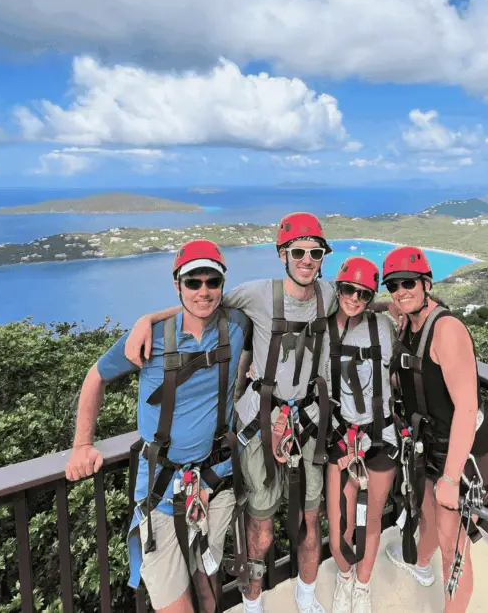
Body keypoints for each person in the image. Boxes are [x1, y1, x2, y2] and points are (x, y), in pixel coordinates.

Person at [122, 212, 339, 613]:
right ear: (283, 255)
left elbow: (365, 298)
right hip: (258, 423)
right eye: (298, 252)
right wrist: (146, 320)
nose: (307, 259)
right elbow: (204, 305)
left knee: (312, 515)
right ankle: (253, 602)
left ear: (323, 256)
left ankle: (306, 596)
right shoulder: (255, 294)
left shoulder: (330, 294)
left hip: (308, 420)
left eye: (314, 251)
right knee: (260, 526)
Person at [65, 239, 254, 613]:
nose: (203, 291)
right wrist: (81, 445)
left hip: (214, 481)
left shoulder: (236, 324)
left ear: (222, 284)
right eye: (192, 282)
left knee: (208, 587)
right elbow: (96, 377)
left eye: (211, 281)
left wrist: (149, 315)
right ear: (177, 285)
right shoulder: (150, 340)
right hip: (161, 490)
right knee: (174, 603)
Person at [381, 246, 488, 613]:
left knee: (454, 546)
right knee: (429, 514)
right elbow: (386, 306)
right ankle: (419, 565)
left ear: (426, 284)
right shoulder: (409, 323)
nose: (401, 291)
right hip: (432, 445)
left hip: (462, 456)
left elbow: (466, 407)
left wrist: (450, 477)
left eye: (408, 284)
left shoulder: (445, 330)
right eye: (393, 285)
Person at [320, 256, 399, 613]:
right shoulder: (322, 330)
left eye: (363, 293)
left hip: (381, 433)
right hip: (342, 435)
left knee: (374, 515)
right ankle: (345, 575)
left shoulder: (384, 327)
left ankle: (362, 585)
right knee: (340, 523)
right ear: (337, 289)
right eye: (348, 290)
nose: (354, 298)